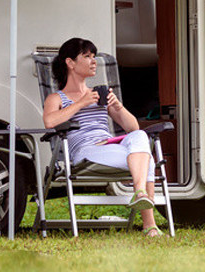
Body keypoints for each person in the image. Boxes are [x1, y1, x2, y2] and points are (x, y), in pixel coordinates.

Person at [42, 37, 161, 237]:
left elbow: (132, 127)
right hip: (87, 152)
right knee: (146, 160)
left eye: (94, 56)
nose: (93, 61)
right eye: (87, 56)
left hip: (113, 146)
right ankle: (149, 225)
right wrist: (80, 103)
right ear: (70, 63)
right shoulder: (56, 98)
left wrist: (117, 106)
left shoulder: (99, 95)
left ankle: (139, 192)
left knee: (140, 136)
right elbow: (50, 122)